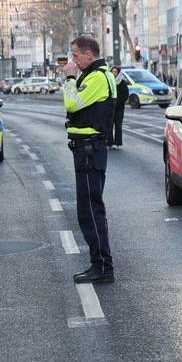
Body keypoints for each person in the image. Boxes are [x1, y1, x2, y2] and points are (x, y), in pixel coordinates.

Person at [62, 35, 118, 284]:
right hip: (87, 150)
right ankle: (101, 265)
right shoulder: (97, 75)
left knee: (90, 211)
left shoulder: (97, 77)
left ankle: (102, 266)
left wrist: (69, 78)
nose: (72, 60)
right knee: (90, 209)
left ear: (88, 54)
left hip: (89, 151)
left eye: (75, 55)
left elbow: (72, 103)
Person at [111, 66, 129, 149]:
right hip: (110, 108)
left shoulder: (122, 82)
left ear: (118, 73)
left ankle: (117, 143)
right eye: (112, 71)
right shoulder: (109, 81)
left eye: (115, 72)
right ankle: (109, 143)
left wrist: (118, 102)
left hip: (119, 108)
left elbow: (125, 94)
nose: (114, 73)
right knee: (109, 126)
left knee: (118, 126)